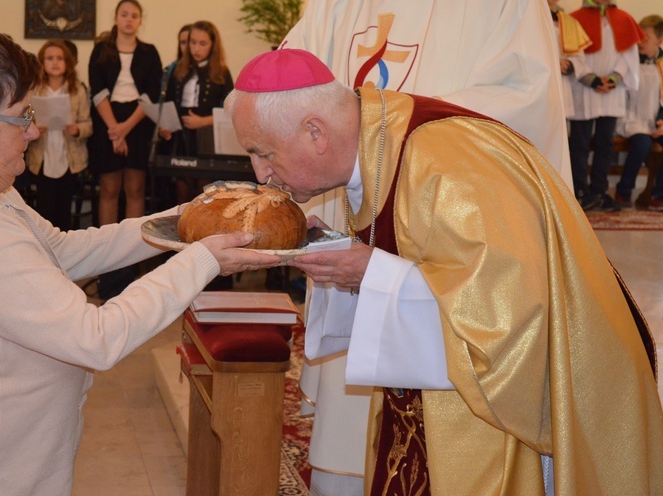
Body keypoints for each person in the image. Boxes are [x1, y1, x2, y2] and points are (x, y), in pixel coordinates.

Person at [225, 48, 663, 496]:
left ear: (316, 131)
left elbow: (512, 314)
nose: (261, 174)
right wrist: (344, 257)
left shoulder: (446, 161)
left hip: (528, 401)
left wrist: (371, 273)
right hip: (435, 401)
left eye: (264, 153)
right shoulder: (376, 145)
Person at [0, 25, 280, 495]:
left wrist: (187, 218)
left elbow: (61, 251)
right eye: (20, 115)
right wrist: (203, 261)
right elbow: (95, 338)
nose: (32, 130)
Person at [279, 1, 575, 492]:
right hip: (359, 226)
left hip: (452, 245)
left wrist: (378, 127)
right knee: (354, 448)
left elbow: (524, 99)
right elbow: (289, 81)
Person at [88, 0, 162, 226]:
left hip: (138, 121)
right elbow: (98, 92)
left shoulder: (149, 52)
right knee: (109, 187)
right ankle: (107, 249)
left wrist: (125, 128)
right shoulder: (101, 49)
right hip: (106, 120)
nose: (129, 19)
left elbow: (151, 94)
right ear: (116, 18)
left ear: (140, 21)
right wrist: (115, 130)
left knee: (135, 187)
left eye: (134, 16)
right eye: (124, 14)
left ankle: (131, 249)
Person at [568, 0, 645, 212]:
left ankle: (599, 191)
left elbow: (628, 56)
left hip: (612, 91)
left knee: (605, 145)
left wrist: (614, 78)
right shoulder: (574, 19)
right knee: (579, 144)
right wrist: (591, 79)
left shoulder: (624, 19)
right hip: (583, 90)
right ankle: (579, 190)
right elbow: (572, 53)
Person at [159, 20, 234, 204]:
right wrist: (166, 126)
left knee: (205, 189)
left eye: (202, 43)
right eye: (192, 42)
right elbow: (168, 103)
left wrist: (203, 121)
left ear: (213, 45)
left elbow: (230, 109)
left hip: (207, 137)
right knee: (181, 188)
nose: (196, 48)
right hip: (181, 138)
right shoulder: (178, 69)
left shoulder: (222, 72)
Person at [27, 39, 93, 231]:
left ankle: (65, 250)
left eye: (59, 58)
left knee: (64, 208)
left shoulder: (77, 90)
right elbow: (23, 120)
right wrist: (33, 128)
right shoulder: (34, 90)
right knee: (45, 207)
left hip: (69, 157)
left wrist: (77, 130)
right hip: (42, 156)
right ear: (42, 63)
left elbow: (88, 123)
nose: (55, 63)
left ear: (68, 63)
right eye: (49, 58)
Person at [614, 14, 663, 210]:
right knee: (642, 144)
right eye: (639, 35)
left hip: (653, 121)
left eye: (647, 37)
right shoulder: (629, 59)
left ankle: (658, 194)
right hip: (629, 119)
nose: (641, 40)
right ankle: (624, 191)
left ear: (660, 40)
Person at [548, 0, 593, 120]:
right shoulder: (528, 19)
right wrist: (553, 63)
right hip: (540, 84)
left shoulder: (568, 22)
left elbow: (579, 58)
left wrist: (568, 64)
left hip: (562, 86)